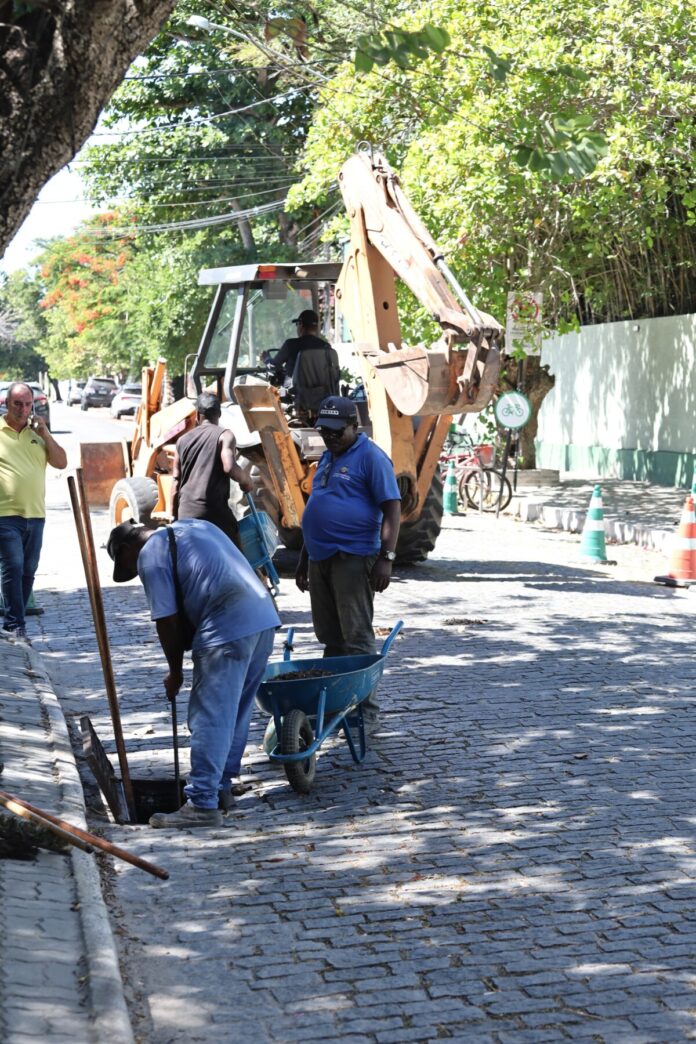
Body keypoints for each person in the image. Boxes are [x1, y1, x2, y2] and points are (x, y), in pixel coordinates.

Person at [107, 517, 280, 829]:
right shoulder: (197, 526)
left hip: (227, 626)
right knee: (236, 712)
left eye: (129, 566)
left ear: (125, 548)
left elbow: (167, 620)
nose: (137, 574)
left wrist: (175, 672)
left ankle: (202, 802)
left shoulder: (150, 554)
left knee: (211, 716)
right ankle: (221, 788)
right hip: (263, 618)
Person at [295, 396, 401, 721]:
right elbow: (316, 510)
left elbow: (392, 508)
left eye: (336, 432)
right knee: (330, 637)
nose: (330, 438)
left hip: (353, 557)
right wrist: (303, 559)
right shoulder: (327, 457)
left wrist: (387, 557)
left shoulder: (371, 457)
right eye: (325, 432)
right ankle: (337, 705)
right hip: (320, 557)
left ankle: (365, 713)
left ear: (354, 426)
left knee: (355, 637)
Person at [0, 382, 67, 643]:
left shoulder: (37, 434)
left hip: (35, 514)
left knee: (28, 569)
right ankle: (14, 625)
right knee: (13, 566)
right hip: (5, 515)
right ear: (6, 403)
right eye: (18, 403)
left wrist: (46, 434)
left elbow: (61, 462)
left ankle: (16, 620)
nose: (23, 409)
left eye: (28, 404)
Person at [171, 391, 252, 548]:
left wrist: (174, 516)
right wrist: (246, 481)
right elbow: (229, 467)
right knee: (236, 557)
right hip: (213, 513)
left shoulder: (182, 440)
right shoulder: (225, 435)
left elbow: (175, 480)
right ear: (219, 414)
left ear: (197, 415)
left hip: (186, 513)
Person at [272, 310, 339, 421]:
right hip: (324, 401)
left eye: (297, 324)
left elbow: (274, 365)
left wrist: (266, 358)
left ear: (301, 325)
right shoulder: (326, 347)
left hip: (297, 400)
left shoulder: (291, 345)